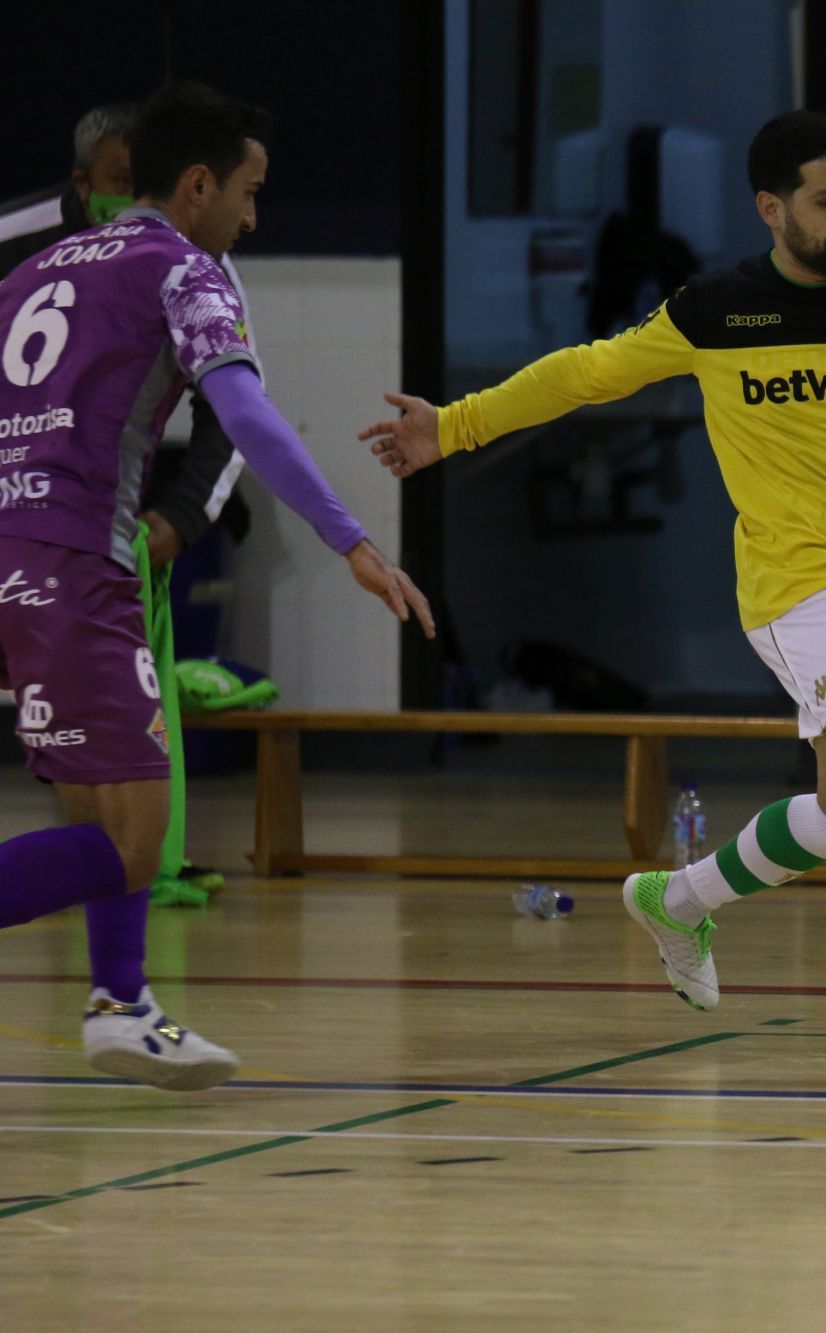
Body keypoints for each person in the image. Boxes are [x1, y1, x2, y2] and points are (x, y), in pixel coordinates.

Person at [362, 110, 826, 1058]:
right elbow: (589, 375)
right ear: (771, 208)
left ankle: (676, 900)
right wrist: (456, 425)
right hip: (791, 584)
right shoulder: (716, 310)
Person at [0, 82, 433, 1090]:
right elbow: (247, 417)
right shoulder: (183, 268)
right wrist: (354, 543)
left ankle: (121, 1005)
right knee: (134, 846)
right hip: (76, 566)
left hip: (17, 556)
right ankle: (121, 1004)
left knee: (94, 810)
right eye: (248, 190)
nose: (252, 214)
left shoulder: (34, 269)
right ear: (196, 184)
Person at [2, 101, 256, 908]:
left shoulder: (189, 255)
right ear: (82, 185)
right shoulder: (26, 242)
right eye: (118, 184)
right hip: (50, 543)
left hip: (108, 537)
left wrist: (179, 516)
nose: (133, 196)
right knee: (119, 819)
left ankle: (121, 999)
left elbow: (234, 415)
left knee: (116, 799)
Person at [0, 103, 137, 275]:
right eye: (124, 181)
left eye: (157, 179)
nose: (145, 200)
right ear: (83, 184)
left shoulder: (177, 224)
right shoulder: (9, 242)